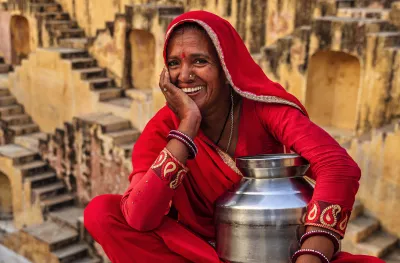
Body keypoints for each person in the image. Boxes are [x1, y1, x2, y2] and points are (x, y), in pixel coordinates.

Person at [84, 10, 384, 263]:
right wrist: (187, 127)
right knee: (102, 213)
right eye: (174, 63)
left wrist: (311, 255)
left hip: (276, 249)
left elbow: (337, 166)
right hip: (200, 252)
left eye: (199, 61)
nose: (184, 75)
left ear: (226, 67)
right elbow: (139, 216)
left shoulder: (262, 109)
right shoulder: (166, 126)